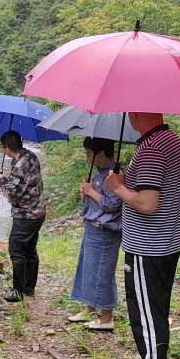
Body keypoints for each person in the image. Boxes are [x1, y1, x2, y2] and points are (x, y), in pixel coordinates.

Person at [105, 112, 180, 359]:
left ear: (140, 112)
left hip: (148, 246)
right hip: (166, 242)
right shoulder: (171, 140)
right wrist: (129, 183)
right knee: (154, 309)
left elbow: (147, 203)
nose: (127, 116)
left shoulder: (152, 147)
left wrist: (117, 188)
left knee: (145, 315)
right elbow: (154, 190)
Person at [68, 137, 122, 331]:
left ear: (100, 153)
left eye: (89, 153)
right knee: (88, 269)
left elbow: (113, 204)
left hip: (105, 230)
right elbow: (97, 201)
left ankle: (107, 318)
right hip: (93, 227)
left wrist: (92, 192)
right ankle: (88, 308)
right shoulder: (100, 173)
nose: (87, 157)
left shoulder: (114, 174)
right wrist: (87, 192)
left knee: (102, 272)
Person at [0, 130, 46, 302]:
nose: (3, 151)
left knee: (16, 249)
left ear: (7, 147)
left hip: (26, 214)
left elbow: (13, 190)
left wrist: (1, 180)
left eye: (3, 148)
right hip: (38, 211)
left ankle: (17, 291)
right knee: (30, 250)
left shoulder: (19, 165)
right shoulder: (31, 156)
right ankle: (29, 289)